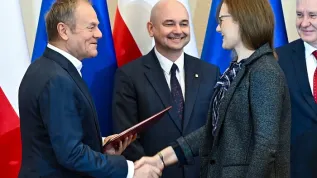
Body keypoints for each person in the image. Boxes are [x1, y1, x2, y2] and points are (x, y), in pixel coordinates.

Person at [134, 0, 291, 177]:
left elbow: (266, 145)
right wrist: (161, 158)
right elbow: (213, 131)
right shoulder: (236, 70)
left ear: (241, 20)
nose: (218, 28)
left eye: (222, 20)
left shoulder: (265, 71)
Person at [18, 0, 162, 177]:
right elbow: (71, 154)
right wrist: (130, 170)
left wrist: (99, 146)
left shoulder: (45, 68)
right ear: (63, 31)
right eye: (91, 27)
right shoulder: (57, 79)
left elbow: (58, 138)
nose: (100, 34)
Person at [112, 0, 219, 178]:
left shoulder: (211, 73)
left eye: (184, 24)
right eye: (169, 23)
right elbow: (127, 138)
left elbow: (215, 130)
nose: (178, 30)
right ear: (151, 28)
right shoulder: (129, 75)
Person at [276, 0, 317, 177]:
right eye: (300, 15)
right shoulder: (278, 59)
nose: (304, 23)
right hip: (296, 171)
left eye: (313, 15)